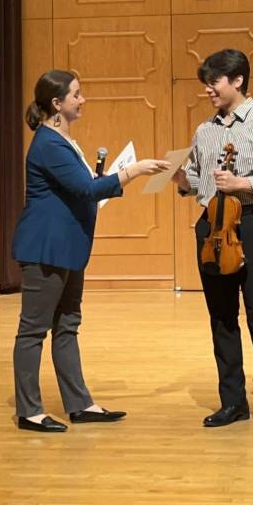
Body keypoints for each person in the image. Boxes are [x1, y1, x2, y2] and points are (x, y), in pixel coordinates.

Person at [12, 69, 170, 433]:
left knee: (67, 325)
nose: (82, 100)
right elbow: (85, 189)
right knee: (33, 330)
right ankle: (29, 411)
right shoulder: (49, 143)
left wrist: (107, 180)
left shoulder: (62, 140)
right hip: (45, 248)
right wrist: (135, 170)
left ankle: (80, 404)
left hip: (67, 248)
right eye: (76, 94)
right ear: (57, 103)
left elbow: (82, 186)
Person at [172, 49, 253, 434]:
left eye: (214, 82)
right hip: (212, 227)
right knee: (222, 317)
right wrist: (180, 179)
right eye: (206, 83)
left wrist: (242, 183)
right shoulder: (204, 131)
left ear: (238, 80)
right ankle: (233, 402)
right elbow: (197, 181)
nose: (208, 90)